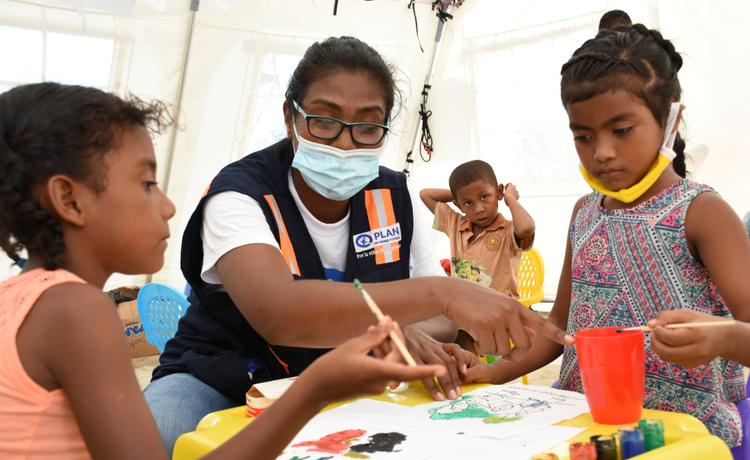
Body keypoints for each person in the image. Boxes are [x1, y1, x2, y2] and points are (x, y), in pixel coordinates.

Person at [146, 36, 572, 452]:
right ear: (290, 117)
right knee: (160, 436)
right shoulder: (240, 194)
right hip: (221, 379)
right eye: (325, 121)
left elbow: (441, 323)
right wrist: (442, 294)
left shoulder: (391, 193)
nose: (345, 142)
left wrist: (399, 332)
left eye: (367, 126)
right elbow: (278, 313)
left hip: (346, 382)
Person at [0, 82, 446, 459]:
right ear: (70, 199)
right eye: (147, 184)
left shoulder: (21, 299)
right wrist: (314, 388)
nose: (169, 206)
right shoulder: (76, 310)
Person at [462, 24, 750, 447]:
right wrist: (499, 370)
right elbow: (558, 325)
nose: (602, 152)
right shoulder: (584, 213)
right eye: (583, 135)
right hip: (589, 432)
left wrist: (720, 338)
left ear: (670, 121)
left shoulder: (702, 212)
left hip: (685, 441)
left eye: (622, 130)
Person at [420, 160, 535, 298]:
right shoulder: (455, 224)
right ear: (458, 205)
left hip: (500, 312)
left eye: (484, 196)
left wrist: (510, 198)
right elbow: (425, 194)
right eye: (468, 203)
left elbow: (526, 229)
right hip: (464, 310)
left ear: (498, 192)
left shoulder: (508, 230)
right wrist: (460, 194)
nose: (478, 209)